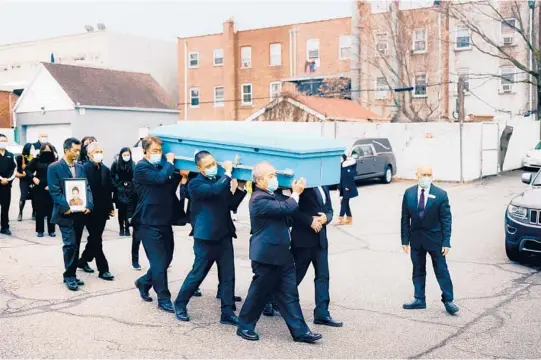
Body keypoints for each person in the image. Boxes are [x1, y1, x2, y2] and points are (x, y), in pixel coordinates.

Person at [236, 162, 322, 344]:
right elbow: (287, 208)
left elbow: (290, 212)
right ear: (259, 180)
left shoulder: (273, 195)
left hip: (283, 254)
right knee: (258, 293)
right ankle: (244, 326)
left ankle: (300, 332)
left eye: (275, 174)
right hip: (266, 256)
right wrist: (296, 193)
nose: (274, 178)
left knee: (290, 294)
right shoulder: (258, 199)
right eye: (270, 176)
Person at [174, 151, 246, 325]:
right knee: (198, 273)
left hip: (224, 234)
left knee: (228, 275)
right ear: (200, 168)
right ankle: (180, 303)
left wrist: (242, 187)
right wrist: (228, 173)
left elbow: (230, 204)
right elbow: (214, 192)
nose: (213, 167)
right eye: (208, 166)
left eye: (214, 163)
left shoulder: (219, 181)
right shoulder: (195, 184)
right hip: (206, 237)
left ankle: (227, 312)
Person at [401, 164, 459, 315]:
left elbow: (446, 220)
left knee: (441, 269)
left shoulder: (441, 195)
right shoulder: (409, 193)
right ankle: (419, 299)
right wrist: (404, 240)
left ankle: (448, 300)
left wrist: (446, 241)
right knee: (418, 270)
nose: (426, 177)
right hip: (416, 240)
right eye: (423, 174)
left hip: (435, 240)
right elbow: (405, 218)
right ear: (417, 175)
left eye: (428, 174)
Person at [132, 136, 178, 313]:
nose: (158, 154)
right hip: (148, 222)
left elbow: (168, 184)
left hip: (164, 220)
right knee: (158, 262)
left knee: (167, 259)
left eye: (160, 151)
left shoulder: (161, 167)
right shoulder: (142, 167)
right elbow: (160, 179)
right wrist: (170, 162)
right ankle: (164, 298)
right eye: (155, 151)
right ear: (145, 151)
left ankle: (143, 282)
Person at [291, 185, 343, 327]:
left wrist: (327, 217)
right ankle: (274, 300)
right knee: (296, 275)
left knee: (323, 276)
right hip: (303, 239)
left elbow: (329, 209)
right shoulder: (301, 185)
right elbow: (292, 210)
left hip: (320, 239)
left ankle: (322, 313)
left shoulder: (324, 186)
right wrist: (310, 221)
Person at [47, 138, 93, 291]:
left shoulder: (81, 167)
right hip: (64, 214)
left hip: (79, 213)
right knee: (70, 244)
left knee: (76, 244)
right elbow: (54, 190)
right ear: (66, 150)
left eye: (79, 150)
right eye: (75, 150)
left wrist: (89, 204)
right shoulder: (54, 167)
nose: (78, 153)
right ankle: (69, 276)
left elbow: (86, 187)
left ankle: (72, 272)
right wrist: (65, 206)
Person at [77, 142, 115, 281]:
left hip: (103, 209)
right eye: (96, 151)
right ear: (89, 154)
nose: (99, 154)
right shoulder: (83, 169)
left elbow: (108, 190)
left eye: (101, 151)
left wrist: (111, 207)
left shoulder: (105, 169)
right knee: (97, 238)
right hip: (89, 209)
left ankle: (83, 260)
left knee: (95, 237)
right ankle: (103, 269)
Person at [25, 143, 56, 237]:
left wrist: (52, 185)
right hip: (39, 187)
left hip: (51, 187)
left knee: (51, 210)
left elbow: (58, 174)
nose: (47, 152)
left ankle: (51, 230)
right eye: (45, 150)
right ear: (41, 151)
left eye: (49, 150)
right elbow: (27, 170)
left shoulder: (55, 161)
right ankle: (40, 230)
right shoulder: (36, 160)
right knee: (39, 209)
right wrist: (33, 177)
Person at [15, 143, 36, 221]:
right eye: (31, 149)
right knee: (23, 196)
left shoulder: (34, 158)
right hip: (24, 180)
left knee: (34, 196)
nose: (33, 150)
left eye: (34, 148)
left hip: (33, 179)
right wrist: (22, 173)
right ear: (27, 149)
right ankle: (20, 213)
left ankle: (34, 213)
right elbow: (16, 170)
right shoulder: (20, 158)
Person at [0, 134, 17, 235]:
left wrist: (7, 179)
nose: (2, 142)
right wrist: (1, 179)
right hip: (1, 181)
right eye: (1, 140)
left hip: (6, 186)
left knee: (5, 207)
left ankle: (5, 227)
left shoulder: (10, 155)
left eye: (4, 140)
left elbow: (14, 169)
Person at [337, 154, 358, 225]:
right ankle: (349, 218)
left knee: (344, 202)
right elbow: (340, 179)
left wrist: (347, 186)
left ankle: (341, 218)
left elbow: (350, 177)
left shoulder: (347, 166)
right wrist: (339, 189)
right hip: (343, 188)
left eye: (341, 158)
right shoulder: (341, 166)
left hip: (348, 188)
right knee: (345, 203)